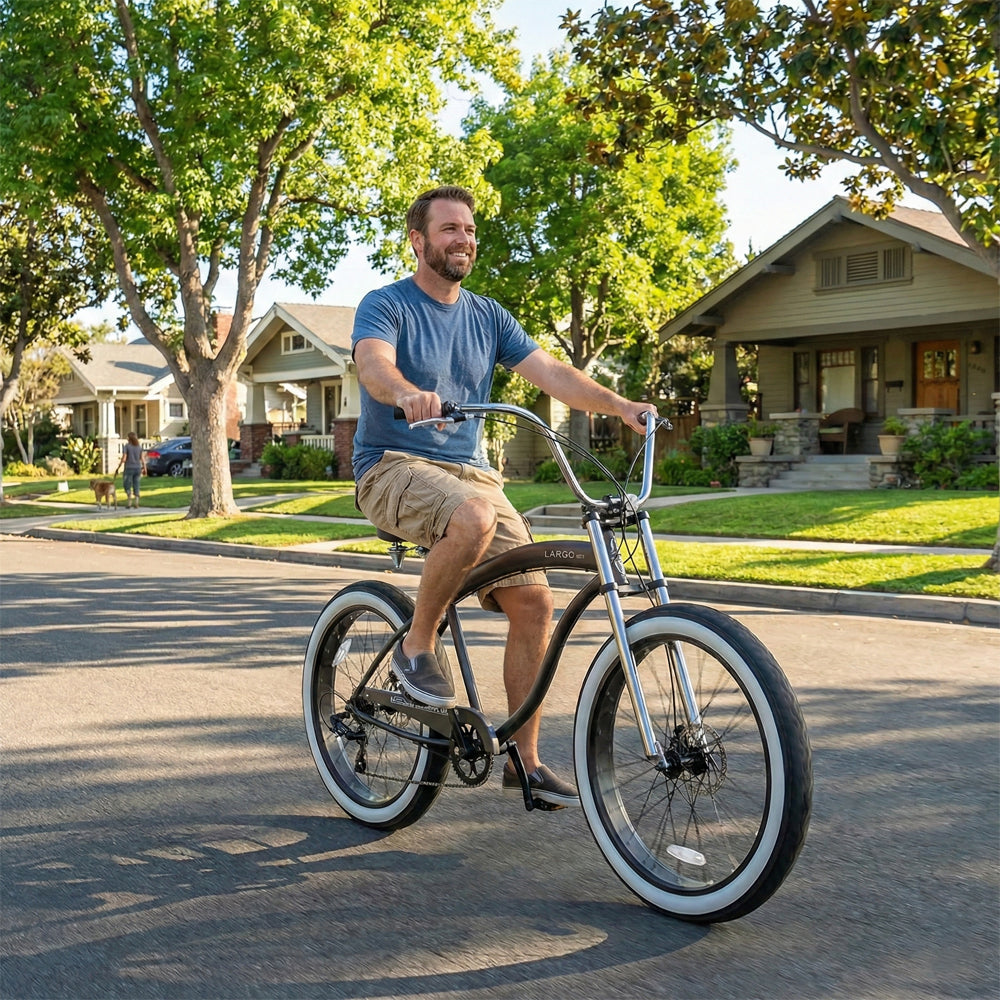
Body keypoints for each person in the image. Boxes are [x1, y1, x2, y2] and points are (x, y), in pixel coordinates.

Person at [351, 185, 657, 808]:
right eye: (447, 230)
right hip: (392, 463)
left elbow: (555, 374)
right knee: (473, 516)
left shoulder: (489, 316)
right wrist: (406, 392)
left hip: (472, 474)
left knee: (535, 602)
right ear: (417, 240)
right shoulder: (386, 305)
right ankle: (416, 646)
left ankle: (524, 758)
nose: (462, 239)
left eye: (468, 229)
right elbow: (373, 365)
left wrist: (622, 406)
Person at [115, 432, 147, 507]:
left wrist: (119, 467)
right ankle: (136, 502)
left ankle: (129, 501)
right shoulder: (139, 447)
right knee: (136, 484)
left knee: (127, 484)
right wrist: (145, 468)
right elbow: (142, 459)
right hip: (138, 468)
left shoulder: (127, 446)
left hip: (129, 468)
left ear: (129, 438)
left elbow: (124, 458)